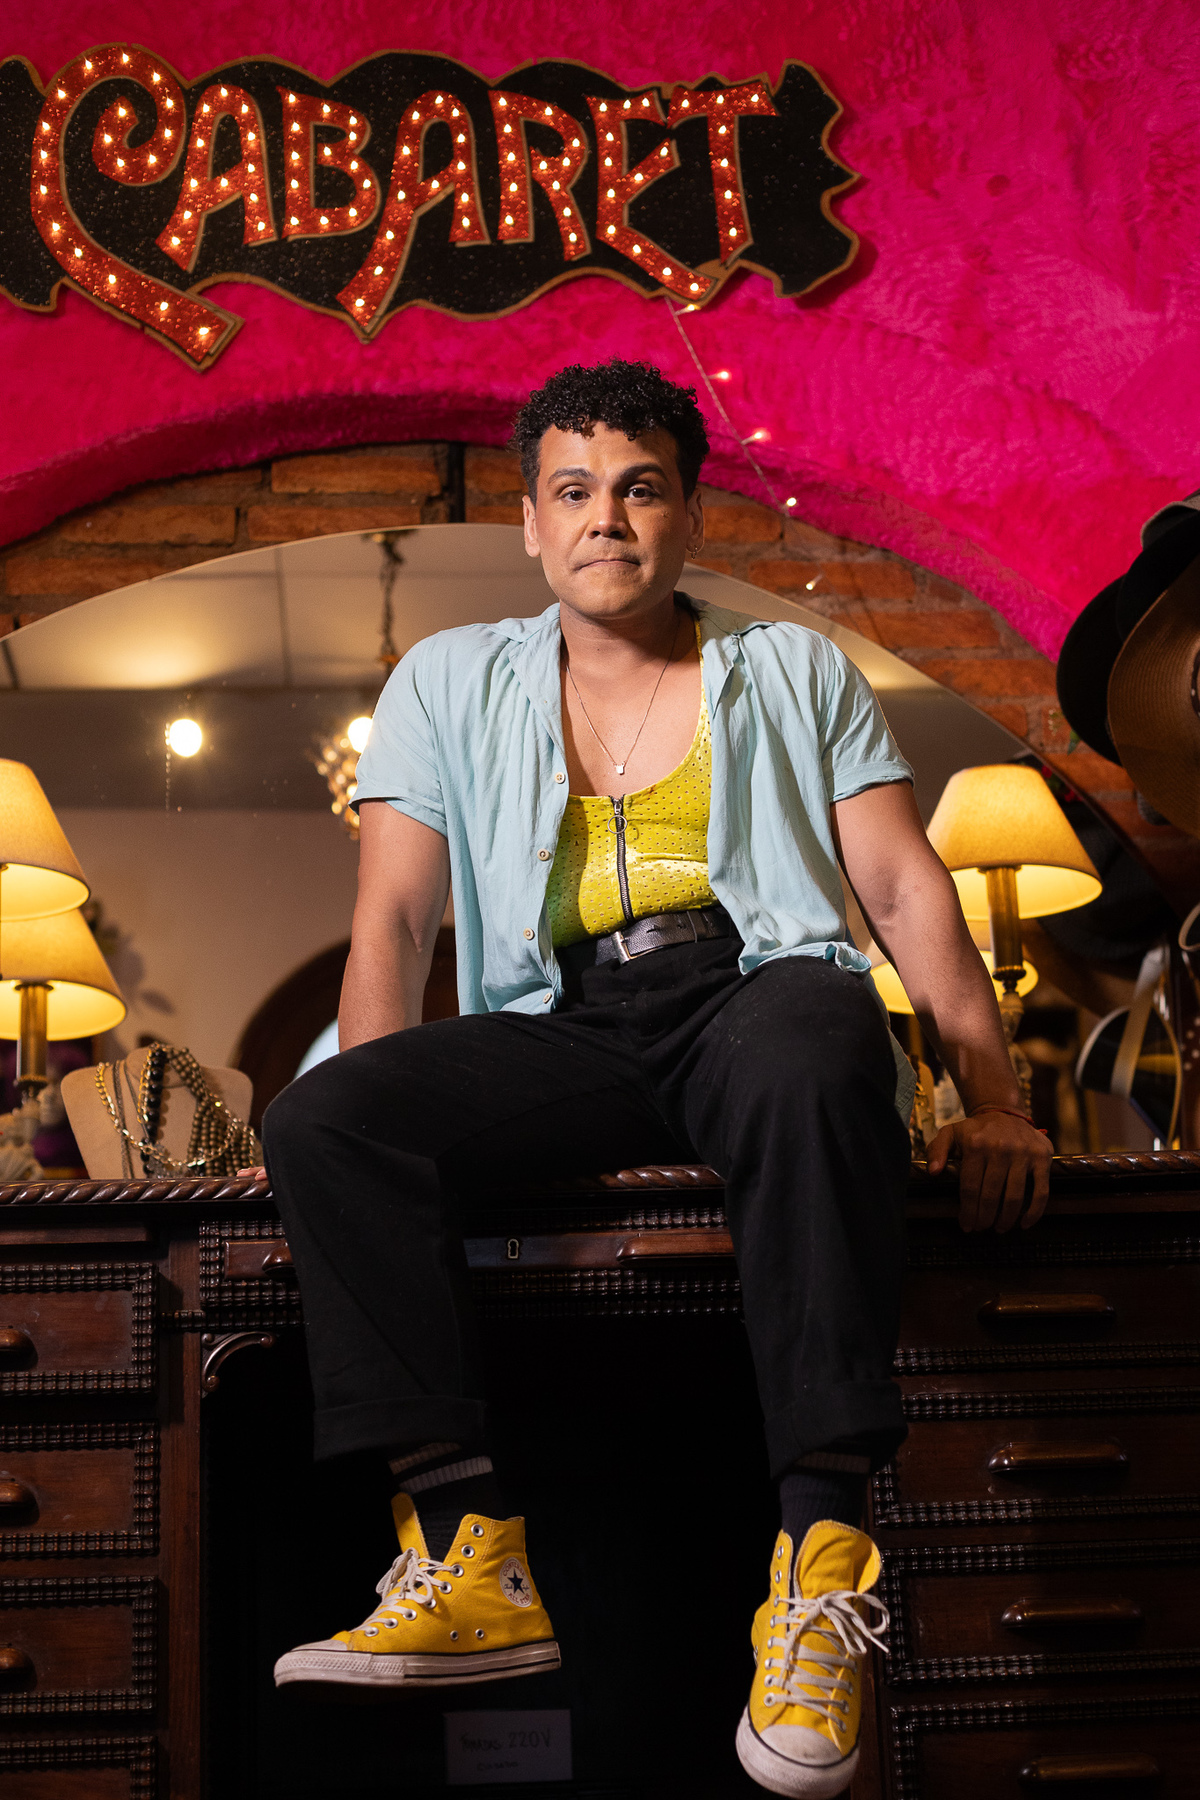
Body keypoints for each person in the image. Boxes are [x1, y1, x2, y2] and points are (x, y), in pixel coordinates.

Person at [260, 359, 1051, 1798]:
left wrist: (992, 1095)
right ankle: (466, 1548)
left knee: (814, 1034)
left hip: (754, 994)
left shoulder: (797, 669)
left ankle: (820, 1564)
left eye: (638, 489)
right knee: (324, 1114)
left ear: (689, 514)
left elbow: (900, 884)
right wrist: (387, 1128)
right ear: (530, 522)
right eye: (573, 491)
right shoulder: (446, 680)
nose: (605, 519)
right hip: (564, 1018)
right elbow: (395, 921)